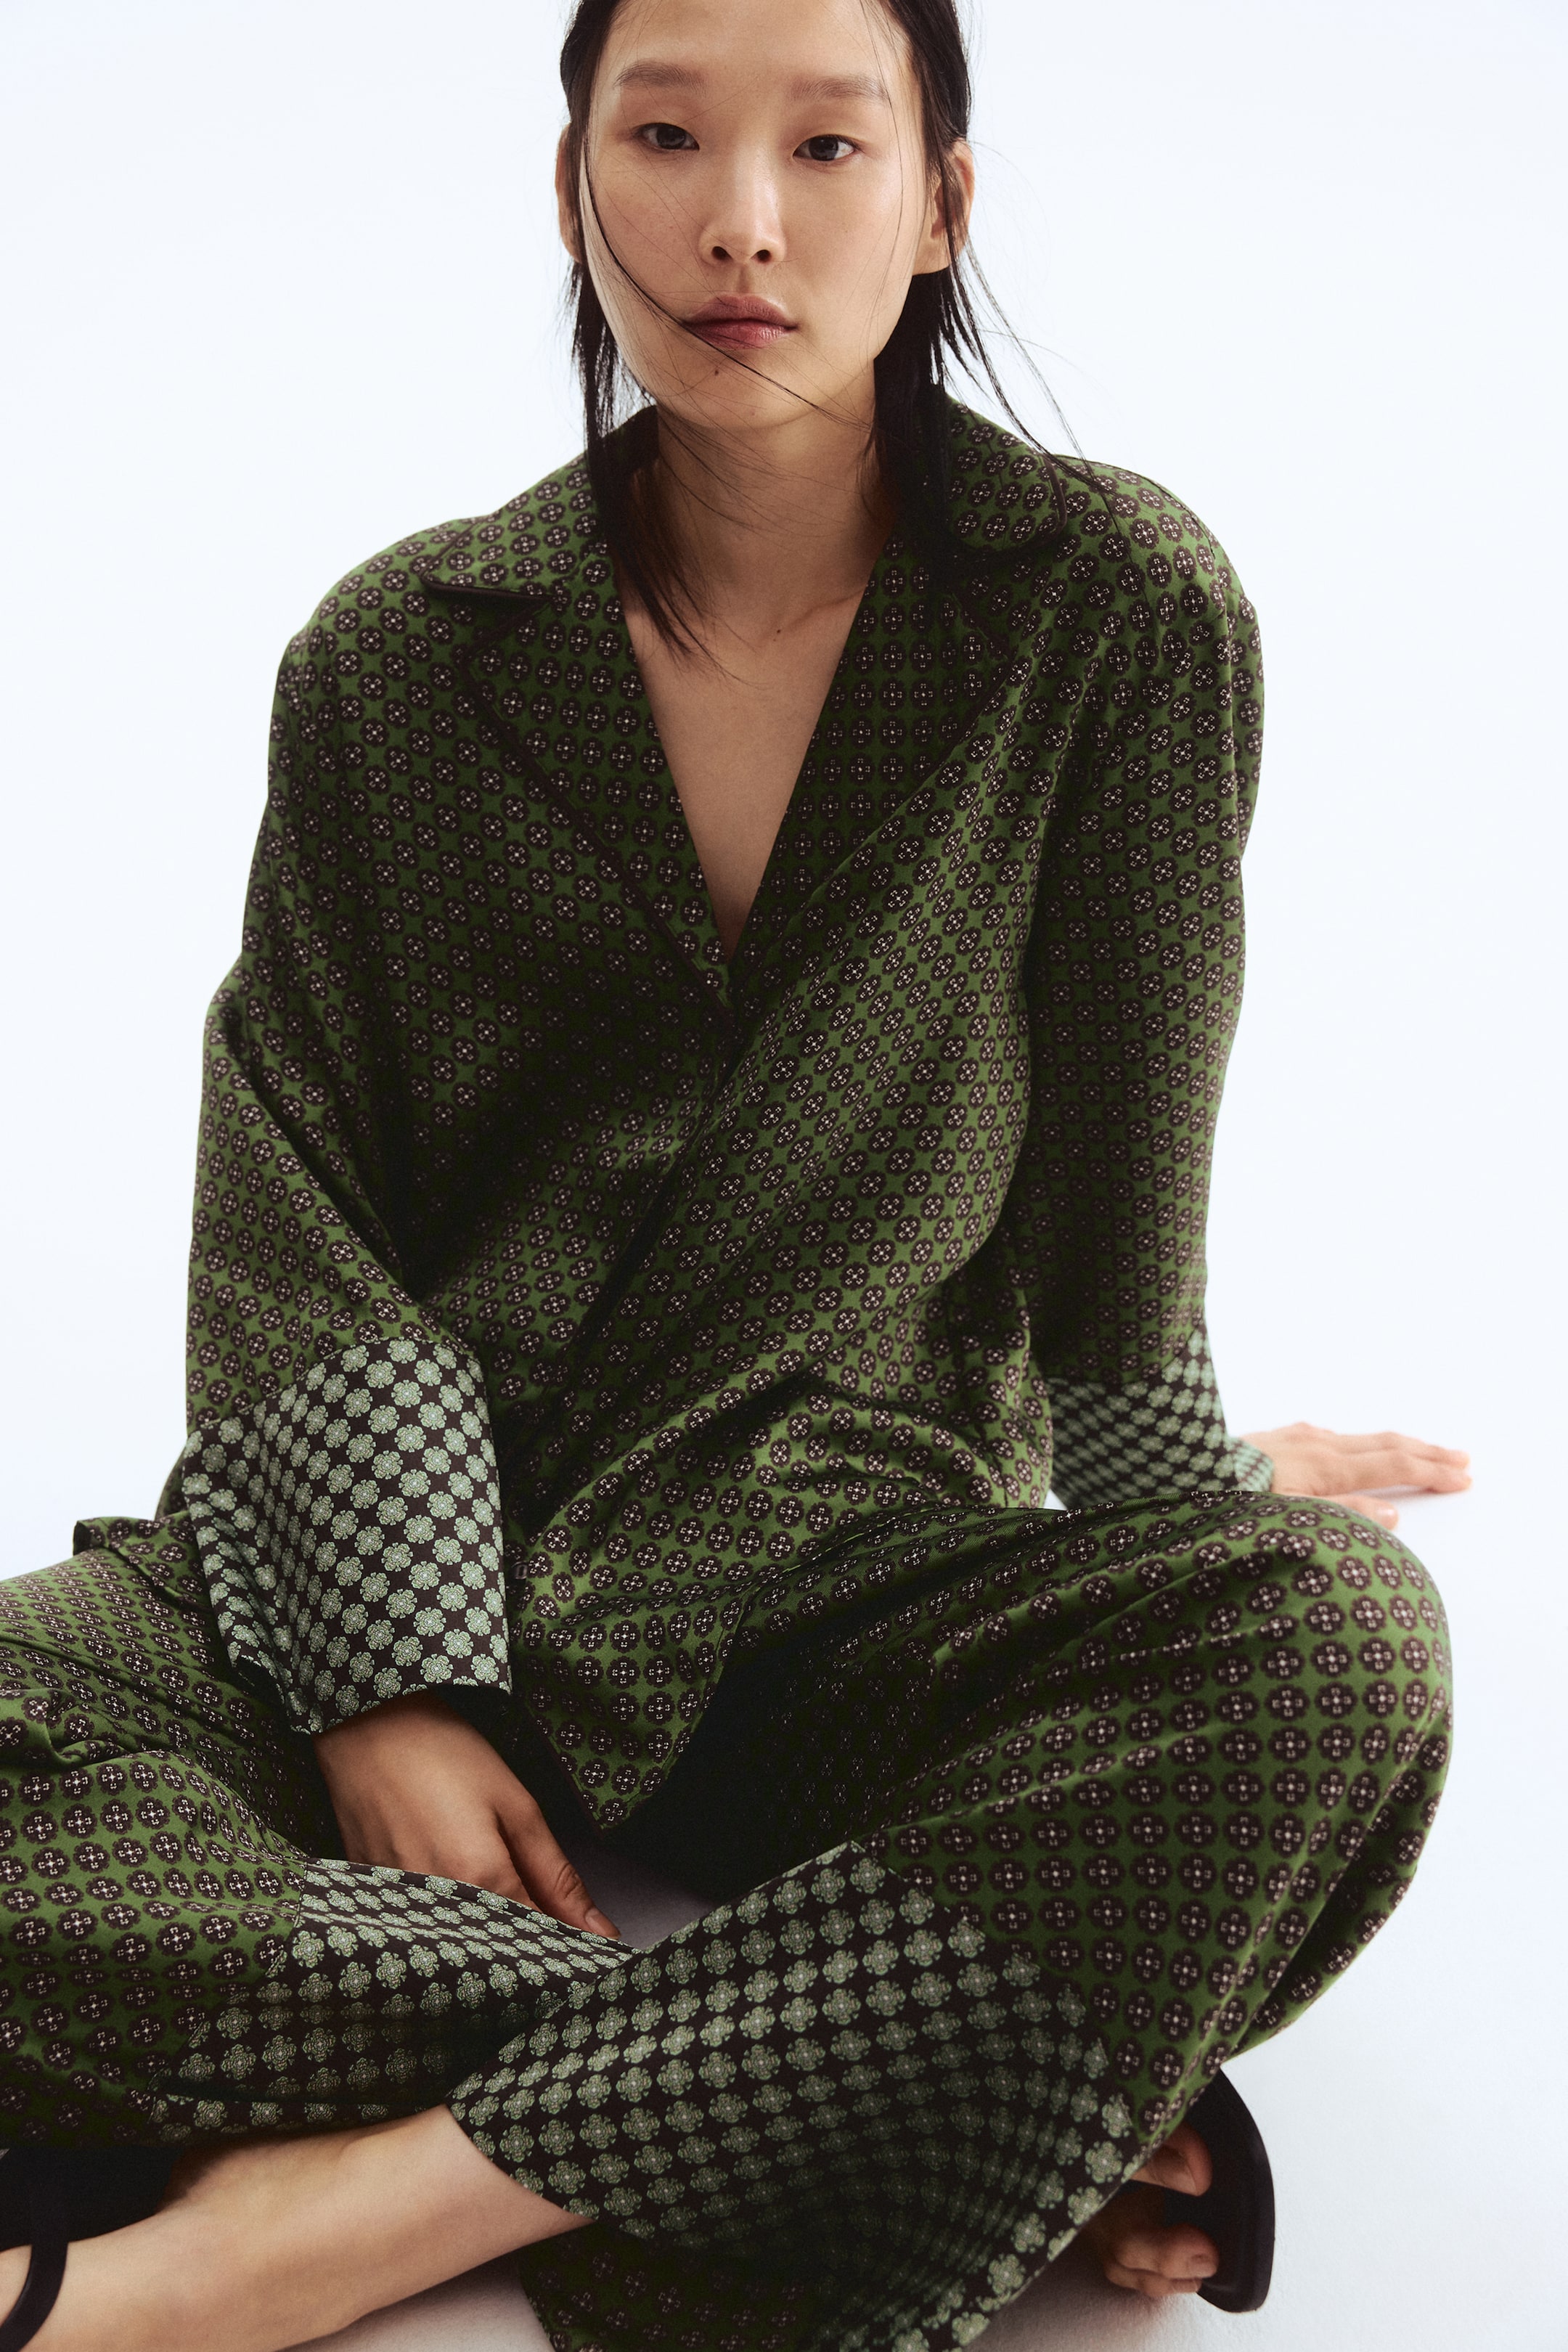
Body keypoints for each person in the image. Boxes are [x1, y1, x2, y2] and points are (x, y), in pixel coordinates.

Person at [0, 0, 1468, 2345]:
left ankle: (307, 2233)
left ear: (941, 202)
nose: (743, 224)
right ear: (573, 182)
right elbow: (292, 1170)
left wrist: (1190, 1511)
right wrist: (388, 1691)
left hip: (844, 1578)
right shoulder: (397, 654)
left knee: (1337, 1648)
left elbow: (1119, 1223)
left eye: (830, 146)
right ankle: (938, 2080)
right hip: (427, 1530)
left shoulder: (1115, 614)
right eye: (667, 134)